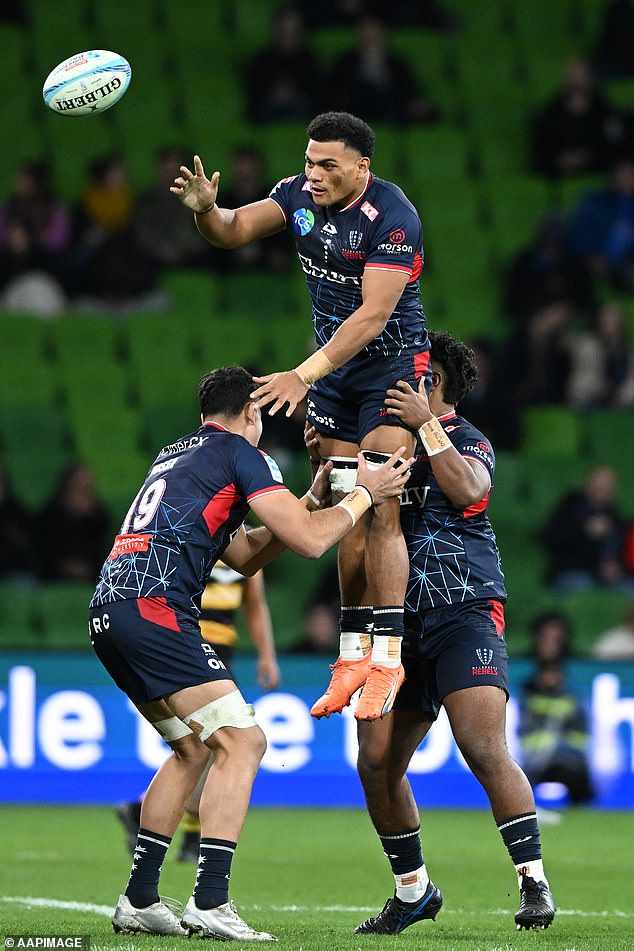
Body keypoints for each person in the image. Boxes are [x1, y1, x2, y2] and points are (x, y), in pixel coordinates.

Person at [89, 365, 411, 940]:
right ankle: (211, 900)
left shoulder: (178, 454)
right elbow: (312, 544)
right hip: (156, 610)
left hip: (111, 612)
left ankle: (140, 900)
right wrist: (367, 493)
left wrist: (311, 496)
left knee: (192, 750)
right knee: (245, 740)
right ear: (251, 415)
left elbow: (242, 555)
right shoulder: (244, 454)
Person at [171, 111, 430, 722]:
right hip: (335, 376)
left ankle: (387, 660)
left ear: (362, 168)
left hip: (390, 369)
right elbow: (232, 231)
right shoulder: (296, 196)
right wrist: (208, 209)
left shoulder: (394, 218)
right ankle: (350, 657)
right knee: (346, 502)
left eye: (327, 165)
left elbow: (371, 317)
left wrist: (302, 375)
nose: (312, 174)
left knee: (383, 499)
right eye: (309, 161)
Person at [324, 331, 555, 934]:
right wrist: (331, 469)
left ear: (433, 385)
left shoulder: (466, 439)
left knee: (482, 746)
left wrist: (428, 425)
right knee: (375, 764)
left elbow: (471, 490)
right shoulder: (379, 448)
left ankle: (533, 880)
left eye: (408, 376)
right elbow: (345, 540)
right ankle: (413, 890)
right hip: (394, 623)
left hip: (463, 612)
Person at [116, 561, 280, 861]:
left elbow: (254, 605)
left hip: (221, 658)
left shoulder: (248, 545)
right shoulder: (199, 533)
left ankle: (148, 814)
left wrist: (267, 655)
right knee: (211, 745)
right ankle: (190, 837)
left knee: (210, 746)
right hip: (186, 649)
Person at [518, 612, 594, 806]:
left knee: (574, 773)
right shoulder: (529, 697)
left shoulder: (571, 699)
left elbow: (581, 734)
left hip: (566, 758)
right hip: (537, 761)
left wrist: (563, 749)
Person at [324, 17, 441, 125]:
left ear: (383, 34)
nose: (371, 39)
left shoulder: (397, 64)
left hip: (391, 110)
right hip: (356, 111)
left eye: (375, 35)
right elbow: (334, 93)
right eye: (367, 35)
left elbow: (410, 93)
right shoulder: (345, 62)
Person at [540, 464, 634, 594]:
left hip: (607, 579)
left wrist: (617, 568)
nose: (602, 488)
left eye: (607, 485)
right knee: (582, 586)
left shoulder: (615, 517)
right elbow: (550, 538)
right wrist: (583, 529)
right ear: (588, 483)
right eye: (598, 483)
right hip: (573, 572)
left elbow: (623, 552)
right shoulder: (570, 506)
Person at [530, 57, 626, 178]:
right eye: (573, 75)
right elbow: (541, 149)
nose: (577, 81)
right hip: (557, 172)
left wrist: (587, 157)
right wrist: (562, 160)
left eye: (581, 75)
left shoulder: (605, 113)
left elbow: (614, 144)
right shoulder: (549, 115)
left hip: (597, 171)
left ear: (591, 78)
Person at [244, 5, 324, 123]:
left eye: (293, 31)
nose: (288, 36)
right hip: (268, 113)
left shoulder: (309, 61)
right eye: (285, 30)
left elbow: (317, 95)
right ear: (276, 30)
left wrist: (293, 95)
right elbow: (254, 96)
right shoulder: (261, 61)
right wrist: (274, 96)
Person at [38, 463, 111, 584]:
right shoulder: (49, 515)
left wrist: (88, 518)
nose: (82, 493)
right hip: (54, 577)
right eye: (78, 487)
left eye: (87, 489)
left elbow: (99, 553)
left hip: (91, 577)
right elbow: (47, 552)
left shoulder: (99, 517)